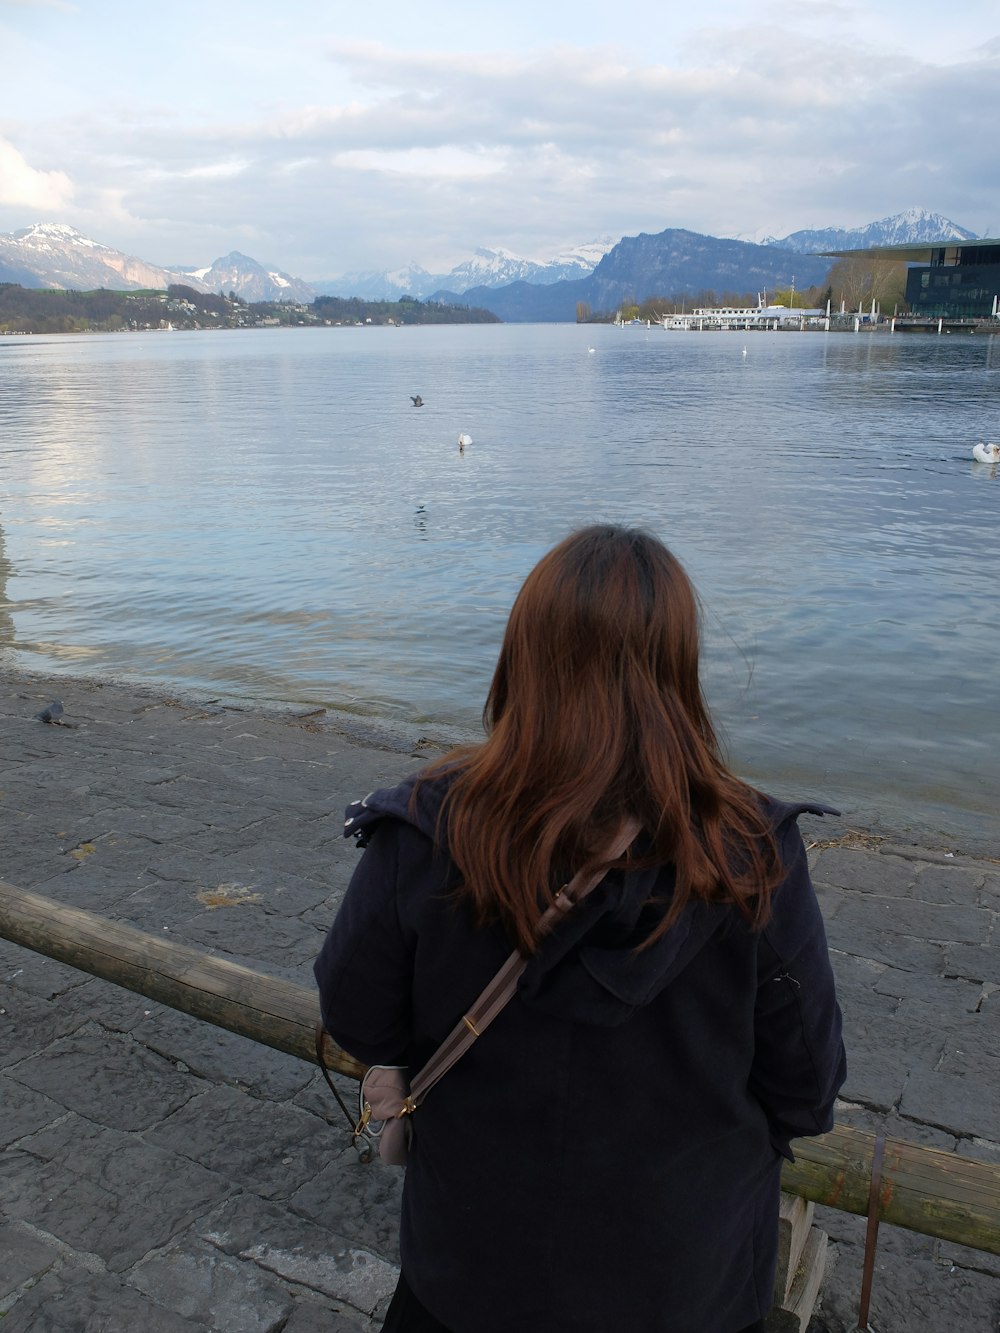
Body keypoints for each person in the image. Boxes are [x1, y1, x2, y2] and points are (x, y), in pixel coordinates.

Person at [314, 524, 846, 1333]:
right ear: (679, 669)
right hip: (683, 1286)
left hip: (471, 1273)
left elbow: (355, 1014)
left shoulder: (426, 826)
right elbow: (806, 1085)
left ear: (520, 657)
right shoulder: (749, 853)